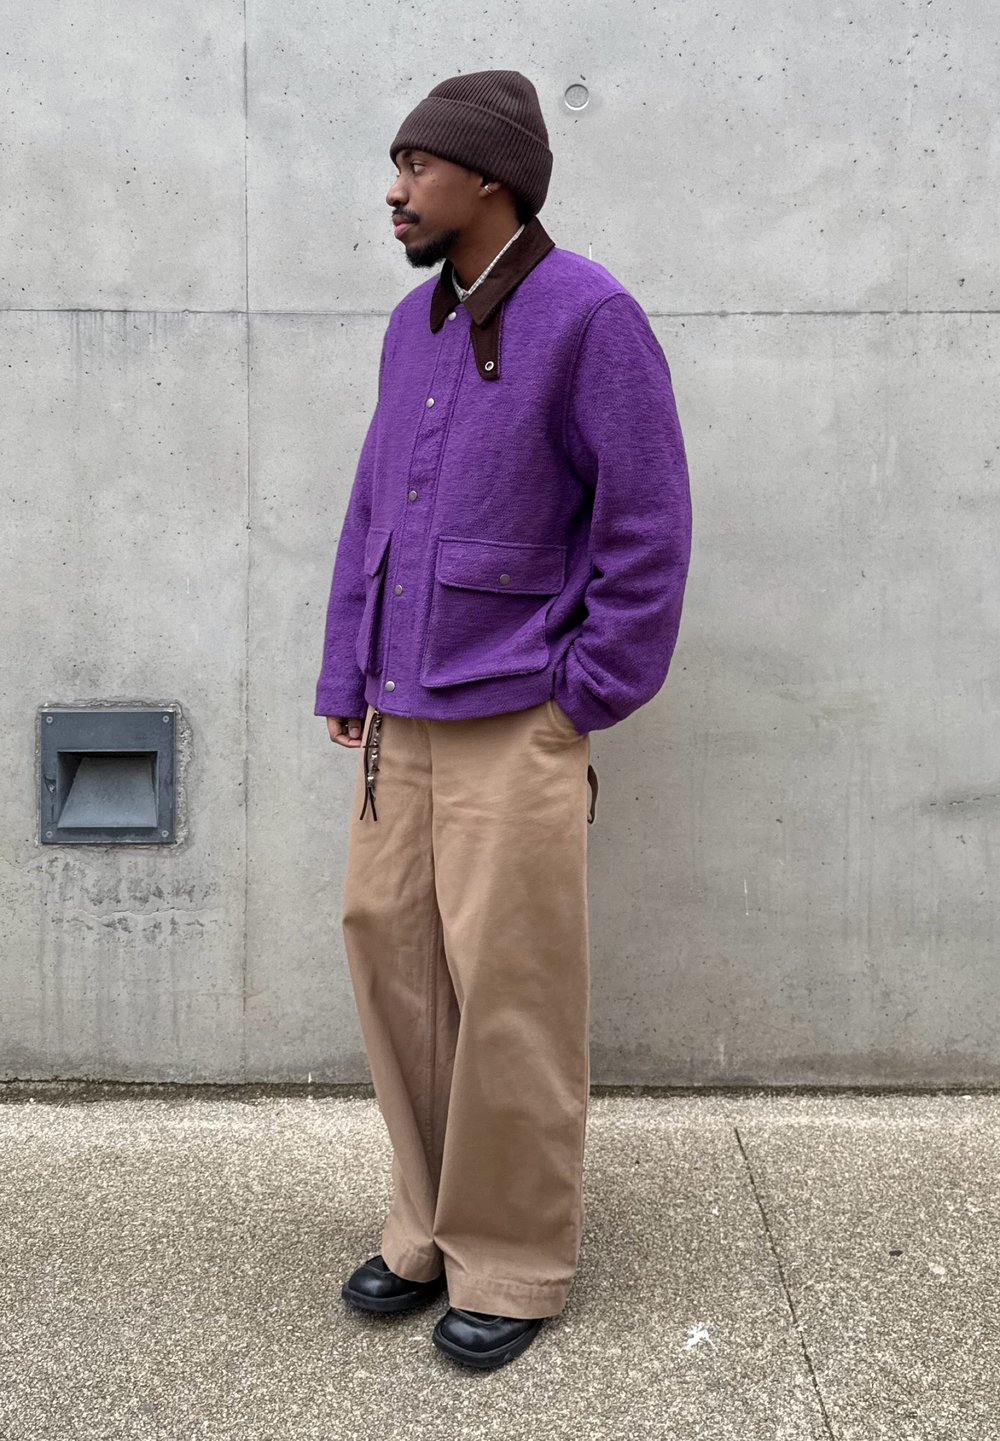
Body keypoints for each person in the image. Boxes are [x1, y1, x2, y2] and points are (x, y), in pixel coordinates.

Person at [314, 69, 691, 1371]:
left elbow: (648, 527)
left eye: (418, 165)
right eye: (398, 163)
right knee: (394, 964)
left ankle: (514, 1260)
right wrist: (347, 670)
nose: (395, 189)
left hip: (516, 714)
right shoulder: (411, 324)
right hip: (401, 715)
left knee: (511, 990)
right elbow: (372, 506)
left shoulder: (592, 316)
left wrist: (583, 693)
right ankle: (425, 1226)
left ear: (491, 178)